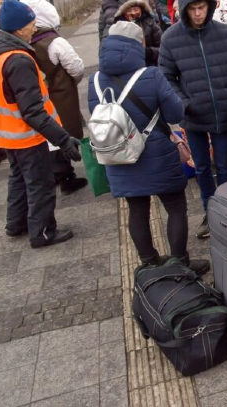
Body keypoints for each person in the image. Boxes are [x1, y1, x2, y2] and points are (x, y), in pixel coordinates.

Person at [87, 21, 207, 273]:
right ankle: (179, 262)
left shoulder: (95, 81)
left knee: (136, 209)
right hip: (157, 155)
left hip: (119, 155)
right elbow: (175, 112)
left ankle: (149, 261)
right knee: (175, 206)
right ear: (138, 44)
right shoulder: (150, 75)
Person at [0, 0, 80, 248]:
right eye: (31, 25)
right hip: (25, 135)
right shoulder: (18, 59)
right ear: (18, 28)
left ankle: (16, 224)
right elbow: (33, 111)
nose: (34, 29)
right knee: (40, 183)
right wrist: (63, 138)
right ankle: (43, 232)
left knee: (18, 178)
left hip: (5, 134)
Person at [159, 0, 227, 239]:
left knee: (224, 165)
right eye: (193, 9)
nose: (198, 13)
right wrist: (185, 102)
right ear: (184, 10)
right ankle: (210, 212)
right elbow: (166, 77)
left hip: (222, 112)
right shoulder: (171, 38)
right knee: (202, 168)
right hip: (193, 116)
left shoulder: (225, 34)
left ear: (210, 6)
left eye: (202, 7)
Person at [21, 0, 88, 194]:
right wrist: (70, 82)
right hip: (61, 95)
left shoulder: (23, 43)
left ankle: (54, 173)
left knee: (46, 133)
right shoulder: (55, 41)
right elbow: (76, 67)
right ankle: (66, 175)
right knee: (65, 130)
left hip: (36, 98)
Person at [113, 0, 162, 66]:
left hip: (150, 66)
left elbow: (162, 49)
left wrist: (149, 52)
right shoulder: (117, 27)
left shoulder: (150, 23)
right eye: (129, 10)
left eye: (136, 9)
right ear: (123, 12)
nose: (133, 13)